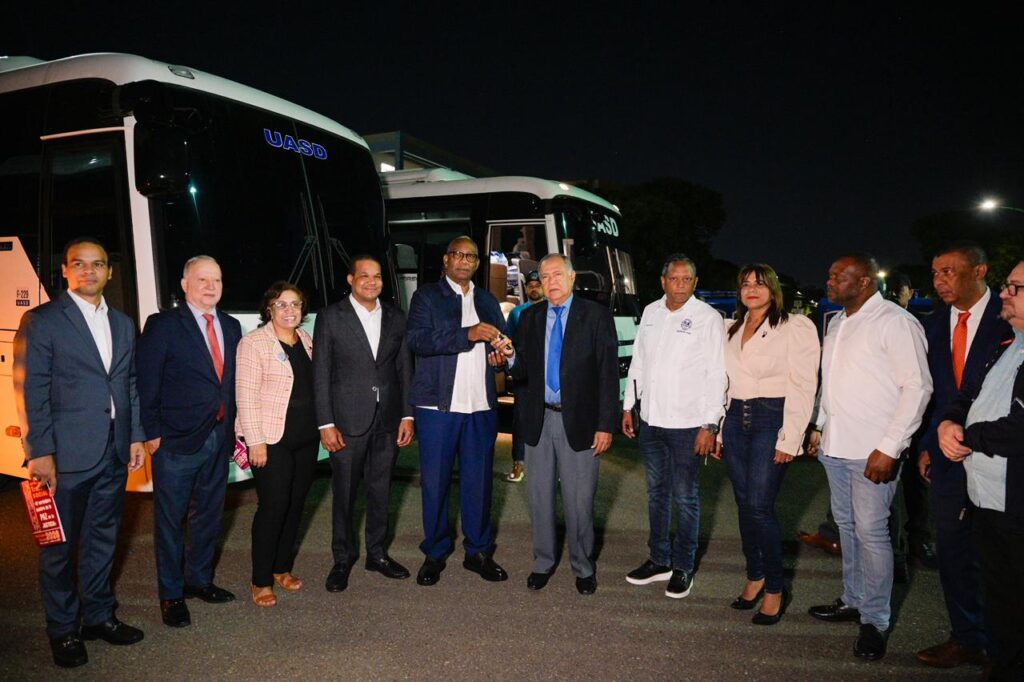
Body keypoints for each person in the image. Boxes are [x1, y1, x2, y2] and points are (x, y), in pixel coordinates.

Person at [13, 237, 147, 668]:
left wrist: (135, 436)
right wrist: (40, 451)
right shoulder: (43, 321)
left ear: (110, 272)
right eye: (79, 264)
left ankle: (99, 616)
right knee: (58, 547)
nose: (89, 271)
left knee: (103, 539)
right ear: (65, 271)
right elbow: (30, 389)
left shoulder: (123, 323)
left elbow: (128, 384)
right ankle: (63, 630)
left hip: (112, 450)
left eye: (98, 264)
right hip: (65, 456)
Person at [806, 253, 931, 661]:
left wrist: (891, 447)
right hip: (836, 446)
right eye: (829, 275)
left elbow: (917, 388)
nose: (829, 282)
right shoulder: (837, 322)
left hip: (873, 451)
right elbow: (831, 383)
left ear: (864, 282)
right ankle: (853, 599)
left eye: (837, 276)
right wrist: (820, 426)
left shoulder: (896, 322)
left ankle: (875, 621)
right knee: (847, 527)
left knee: (872, 533)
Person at [916, 243, 1012, 669]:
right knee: (953, 549)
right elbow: (934, 395)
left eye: (949, 271)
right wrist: (927, 445)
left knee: (1002, 552)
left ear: (980, 271)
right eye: (935, 273)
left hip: (1002, 453)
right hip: (948, 454)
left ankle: (1005, 644)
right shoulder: (933, 326)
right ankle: (967, 636)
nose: (939, 281)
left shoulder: (1009, 319)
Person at [137, 255, 242, 627]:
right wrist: (151, 434)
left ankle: (199, 579)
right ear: (184, 285)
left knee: (209, 514)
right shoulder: (163, 325)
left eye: (217, 280)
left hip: (218, 436)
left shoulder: (230, 326)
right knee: (170, 521)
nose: (210, 287)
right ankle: (171, 594)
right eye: (202, 279)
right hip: (175, 441)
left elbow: (228, 384)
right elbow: (146, 382)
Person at [715, 264, 819, 624]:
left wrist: (791, 437)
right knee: (744, 506)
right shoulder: (731, 328)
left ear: (773, 289)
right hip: (734, 420)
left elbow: (804, 385)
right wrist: (718, 431)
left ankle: (775, 586)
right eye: (745, 284)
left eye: (760, 284)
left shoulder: (794, 327)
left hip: (771, 418)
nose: (752, 289)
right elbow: (723, 383)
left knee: (760, 506)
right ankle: (755, 575)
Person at [509, 254, 618, 595]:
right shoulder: (529, 318)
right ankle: (543, 562)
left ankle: (583, 566)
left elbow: (607, 373)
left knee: (579, 502)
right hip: (539, 420)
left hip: (581, 422)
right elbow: (521, 370)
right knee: (539, 498)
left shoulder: (596, 316)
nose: (551, 281)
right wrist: (508, 358)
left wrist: (605, 424)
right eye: (545, 276)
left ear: (572, 278)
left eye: (558, 274)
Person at [406, 236, 511, 586]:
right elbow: (417, 340)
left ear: (477, 264)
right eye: (458, 255)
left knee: (479, 484)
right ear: (446, 259)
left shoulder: (487, 300)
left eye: (471, 257)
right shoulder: (426, 297)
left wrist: (501, 359)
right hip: (438, 406)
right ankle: (435, 553)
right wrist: (468, 334)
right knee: (435, 483)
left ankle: (478, 552)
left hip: (481, 406)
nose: (465, 261)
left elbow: (502, 345)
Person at [938, 259, 1024, 682]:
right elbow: (967, 392)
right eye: (1007, 285)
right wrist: (950, 422)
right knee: (999, 590)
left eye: (1016, 288)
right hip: (986, 496)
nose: (1004, 293)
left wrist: (969, 436)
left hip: (1014, 502)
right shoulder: (1008, 342)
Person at [622, 254, 727, 599]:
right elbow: (639, 362)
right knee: (656, 493)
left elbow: (717, 373)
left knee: (685, 497)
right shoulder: (651, 312)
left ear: (695, 283)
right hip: (651, 421)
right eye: (674, 279)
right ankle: (659, 560)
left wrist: (710, 424)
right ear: (663, 281)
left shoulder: (708, 318)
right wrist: (628, 406)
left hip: (688, 424)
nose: (680, 285)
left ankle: (683, 566)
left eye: (687, 280)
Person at [313, 256, 415, 593]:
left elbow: (404, 369)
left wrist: (407, 415)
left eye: (377, 276)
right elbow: (321, 373)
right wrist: (326, 422)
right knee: (344, 494)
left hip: (387, 420)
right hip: (346, 422)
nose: (372, 282)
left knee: (381, 491)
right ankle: (342, 559)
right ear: (351, 279)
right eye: (364, 276)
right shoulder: (331, 316)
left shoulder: (396, 317)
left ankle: (377, 554)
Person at [236, 282, 317, 607]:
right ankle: (261, 579)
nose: (289, 310)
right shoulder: (254, 343)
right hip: (271, 439)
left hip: (306, 438)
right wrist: (255, 441)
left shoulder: (306, 340)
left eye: (295, 304)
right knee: (273, 506)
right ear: (269, 309)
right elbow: (245, 396)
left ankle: (281, 568)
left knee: (296, 505)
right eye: (281, 304)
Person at [504, 269, 545, 483]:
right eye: (530, 286)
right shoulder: (517, 313)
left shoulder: (553, 310)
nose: (534, 289)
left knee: (548, 419)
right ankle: (519, 462)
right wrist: (510, 369)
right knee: (520, 419)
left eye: (537, 285)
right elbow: (509, 341)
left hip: (547, 376)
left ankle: (551, 467)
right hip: (524, 375)